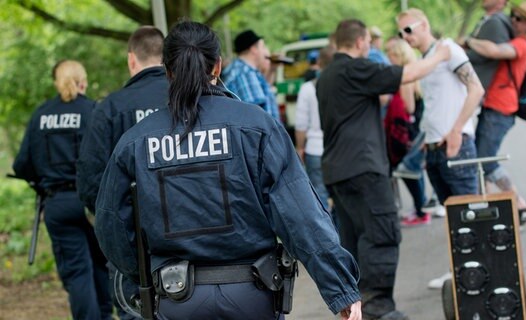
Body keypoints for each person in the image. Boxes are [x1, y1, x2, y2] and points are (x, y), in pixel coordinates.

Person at [94, 21, 362, 320]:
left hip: (176, 298)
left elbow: (111, 226)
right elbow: (302, 215)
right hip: (253, 295)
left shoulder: (135, 141)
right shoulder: (256, 126)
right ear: (218, 66)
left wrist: (145, 275)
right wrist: (340, 290)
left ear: (167, 71)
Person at [317, 18, 450, 320]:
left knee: (354, 239)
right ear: (362, 41)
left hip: (337, 170)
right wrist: (441, 55)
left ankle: (356, 308)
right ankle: (377, 306)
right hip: (363, 166)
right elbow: (407, 73)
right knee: (381, 233)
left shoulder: (327, 76)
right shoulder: (355, 68)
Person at [76, 25, 167, 319]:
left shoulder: (110, 108)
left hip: (133, 244)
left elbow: (91, 181)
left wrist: (116, 222)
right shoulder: (193, 98)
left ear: (131, 60)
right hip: (193, 238)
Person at [12, 60, 112, 320]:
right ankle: (104, 314)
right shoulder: (92, 110)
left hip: (57, 202)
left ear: (57, 82)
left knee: (77, 271)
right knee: (102, 265)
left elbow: (22, 164)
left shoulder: (41, 115)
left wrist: (44, 182)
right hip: (91, 202)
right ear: (82, 81)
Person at [397, 8, 485, 288]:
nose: (405, 36)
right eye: (401, 33)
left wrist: (458, 128)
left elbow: (476, 89)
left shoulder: (448, 49)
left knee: (468, 211)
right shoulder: (427, 59)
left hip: (455, 145)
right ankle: (461, 271)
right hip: (434, 147)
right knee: (452, 215)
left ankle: (480, 272)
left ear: (424, 24)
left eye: (408, 29)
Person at [465, 1, 526, 224]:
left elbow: (494, 50)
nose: (514, 21)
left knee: (486, 161)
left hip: (501, 108)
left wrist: (468, 41)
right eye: (514, 16)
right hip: (493, 106)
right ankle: (493, 205)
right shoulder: (515, 38)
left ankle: (520, 204)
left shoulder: (521, 44)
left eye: (520, 19)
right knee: (483, 160)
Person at [383, 39, 430, 227]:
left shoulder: (405, 79)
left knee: (408, 170)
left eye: (391, 56)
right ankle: (420, 207)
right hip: (412, 129)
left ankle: (421, 210)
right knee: (412, 170)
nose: (389, 60)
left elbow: (409, 107)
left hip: (406, 131)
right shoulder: (412, 74)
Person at [295, 46, 335, 210]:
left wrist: (300, 147)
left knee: (320, 196)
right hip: (338, 148)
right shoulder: (342, 86)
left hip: (315, 148)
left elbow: (301, 123)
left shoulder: (307, 88)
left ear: (319, 63)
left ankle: (329, 234)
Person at [222, 29, 280, 121]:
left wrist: (272, 69)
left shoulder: (244, 71)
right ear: (254, 49)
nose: (265, 52)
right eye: (263, 47)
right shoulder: (245, 74)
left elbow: (263, 91)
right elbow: (257, 118)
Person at [465, 0, 513, 91]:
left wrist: (461, 51)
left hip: (476, 83)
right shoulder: (488, 20)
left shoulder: (496, 22)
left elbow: (484, 56)